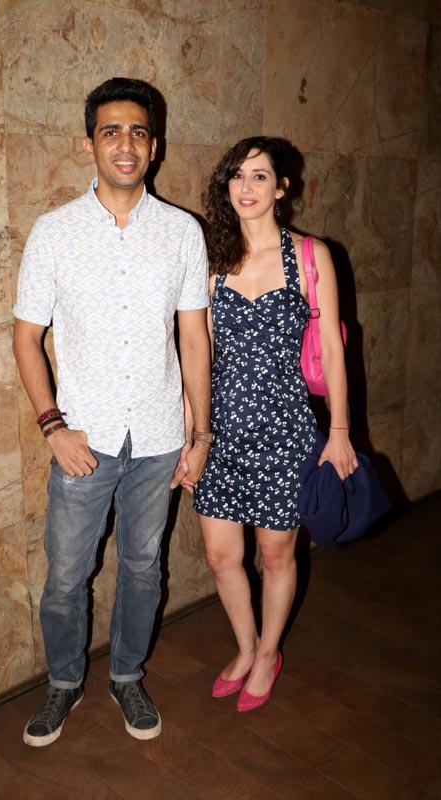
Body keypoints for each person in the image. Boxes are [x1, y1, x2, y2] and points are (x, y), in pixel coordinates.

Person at [12, 77, 212, 745]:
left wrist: (199, 434)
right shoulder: (54, 232)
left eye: (137, 132)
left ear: (154, 146)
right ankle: (63, 683)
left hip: (158, 439)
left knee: (142, 568)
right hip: (84, 441)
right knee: (66, 576)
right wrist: (53, 428)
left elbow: (193, 338)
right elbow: (25, 337)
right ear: (90, 144)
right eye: (110, 131)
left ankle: (127, 675)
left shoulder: (182, 233)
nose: (125, 144)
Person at [190, 136, 357, 711]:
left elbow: (333, 351)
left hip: (284, 431)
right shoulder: (214, 260)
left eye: (259, 176)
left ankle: (267, 654)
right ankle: (245, 646)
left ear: (281, 188)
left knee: (277, 554)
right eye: (237, 175)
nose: (246, 187)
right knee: (220, 555)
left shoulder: (310, 255)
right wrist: (192, 435)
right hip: (222, 432)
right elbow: (200, 353)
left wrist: (339, 433)